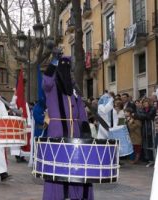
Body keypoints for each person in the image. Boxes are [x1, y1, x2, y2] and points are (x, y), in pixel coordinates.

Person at [42, 56, 93, 199]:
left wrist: (85, 129)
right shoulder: (51, 88)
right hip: (57, 131)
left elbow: (81, 111)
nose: (66, 70)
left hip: (75, 134)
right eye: (62, 67)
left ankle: (75, 195)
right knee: (57, 167)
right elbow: (46, 81)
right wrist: (53, 62)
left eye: (68, 67)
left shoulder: (74, 89)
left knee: (76, 167)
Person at [136, 98, 156, 165]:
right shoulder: (142, 110)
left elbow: (148, 116)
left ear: (149, 102)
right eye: (144, 102)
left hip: (151, 128)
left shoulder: (153, 108)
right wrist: (142, 114)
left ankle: (153, 158)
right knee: (145, 144)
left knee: (152, 144)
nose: (145, 104)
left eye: (146, 102)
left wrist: (142, 115)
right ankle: (148, 159)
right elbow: (139, 116)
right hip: (144, 129)